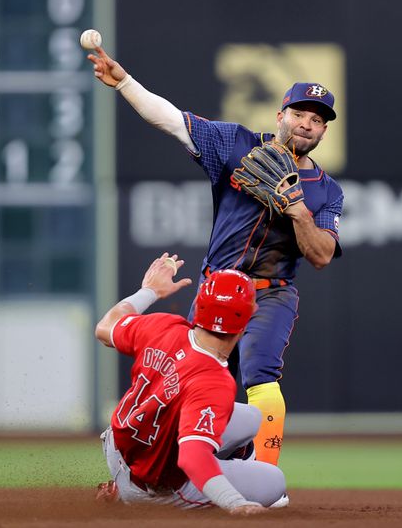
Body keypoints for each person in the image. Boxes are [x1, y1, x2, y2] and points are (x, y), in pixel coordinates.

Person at [89, 47, 343, 465]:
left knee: (262, 377)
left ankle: (263, 478)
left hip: (270, 293)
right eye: (300, 113)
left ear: (323, 132)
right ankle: (169, 470)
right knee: (192, 381)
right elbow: (171, 120)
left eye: (317, 120)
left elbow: (321, 255)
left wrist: (298, 210)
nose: (307, 124)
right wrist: (125, 84)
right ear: (281, 114)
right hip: (216, 287)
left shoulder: (326, 190)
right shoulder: (236, 143)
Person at [95, 253, 287, 514]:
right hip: (153, 487)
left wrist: (149, 291)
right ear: (246, 319)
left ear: (200, 305)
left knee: (253, 418)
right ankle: (128, 496)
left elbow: (105, 328)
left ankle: (128, 484)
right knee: (274, 482)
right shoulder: (214, 381)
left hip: (119, 446)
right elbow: (192, 456)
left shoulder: (165, 326)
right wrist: (236, 504)